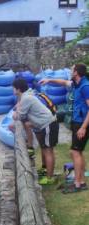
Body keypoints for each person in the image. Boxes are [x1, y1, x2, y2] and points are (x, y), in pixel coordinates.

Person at [39, 63, 89, 192]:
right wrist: (49, 80)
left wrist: (83, 127)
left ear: (76, 72)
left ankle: (77, 184)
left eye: (72, 69)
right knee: (78, 152)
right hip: (77, 121)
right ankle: (81, 181)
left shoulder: (85, 86)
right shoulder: (76, 83)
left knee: (74, 152)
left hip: (82, 123)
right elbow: (63, 82)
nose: (70, 71)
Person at [12, 78, 59, 185]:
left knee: (48, 151)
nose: (12, 90)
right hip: (43, 125)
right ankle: (46, 170)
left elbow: (19, 116)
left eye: (13, 88)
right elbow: (19, 107)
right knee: (44, 149)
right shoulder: (25, 96)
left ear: (18, 89)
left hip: (48, 124)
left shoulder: (26, 98)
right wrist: (18, 107)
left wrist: (16, 113)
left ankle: (50, 178)